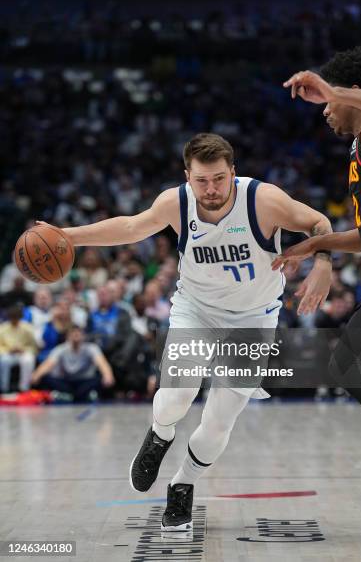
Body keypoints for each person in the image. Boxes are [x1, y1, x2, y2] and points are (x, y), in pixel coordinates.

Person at [36, 132, 333, 531]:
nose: (211, 190)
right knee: (175, 398)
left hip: (253, 319)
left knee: (218, 421)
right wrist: (66, 236)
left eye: (219, 179)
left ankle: (183, 484)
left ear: (233, 172)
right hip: (197, 311)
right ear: (187, 176)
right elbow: (130, 227)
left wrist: (324, 265)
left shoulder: (263, 200)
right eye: (201, 181)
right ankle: (159, 436)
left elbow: (318, 221)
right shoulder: (175, 202)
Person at [273, 47, 361, 449]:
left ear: (351, 93)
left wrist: (331, 90)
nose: (325, 111)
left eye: (328, 103)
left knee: (352, 360)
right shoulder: (360, 151)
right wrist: (315, 245)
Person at [31, 325, 115, 402]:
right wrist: (36, 375)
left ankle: (80, 395)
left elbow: (102, 363)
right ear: (67, 336)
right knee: (45, 379)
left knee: (100, 379)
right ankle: (69, 395)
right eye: (73, 333)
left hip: (85, 381)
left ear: (84, 336)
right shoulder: (61, 349)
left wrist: (108, 375)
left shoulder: (91, 348)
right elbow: (49, 364)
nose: (76, 335)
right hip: (66, 381)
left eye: (78, 333)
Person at [0, 304, 37, 393]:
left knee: (28, 360)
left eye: (16, 318)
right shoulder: (2, 328)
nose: (14, 320)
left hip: (24, 353)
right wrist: (8, 350)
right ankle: (4, 388)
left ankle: (24, 388)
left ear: (20, 317)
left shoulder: (28, 328)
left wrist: (23, 350)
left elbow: (33, 346)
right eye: (13, 318)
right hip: (8, 353)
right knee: (3, 361)